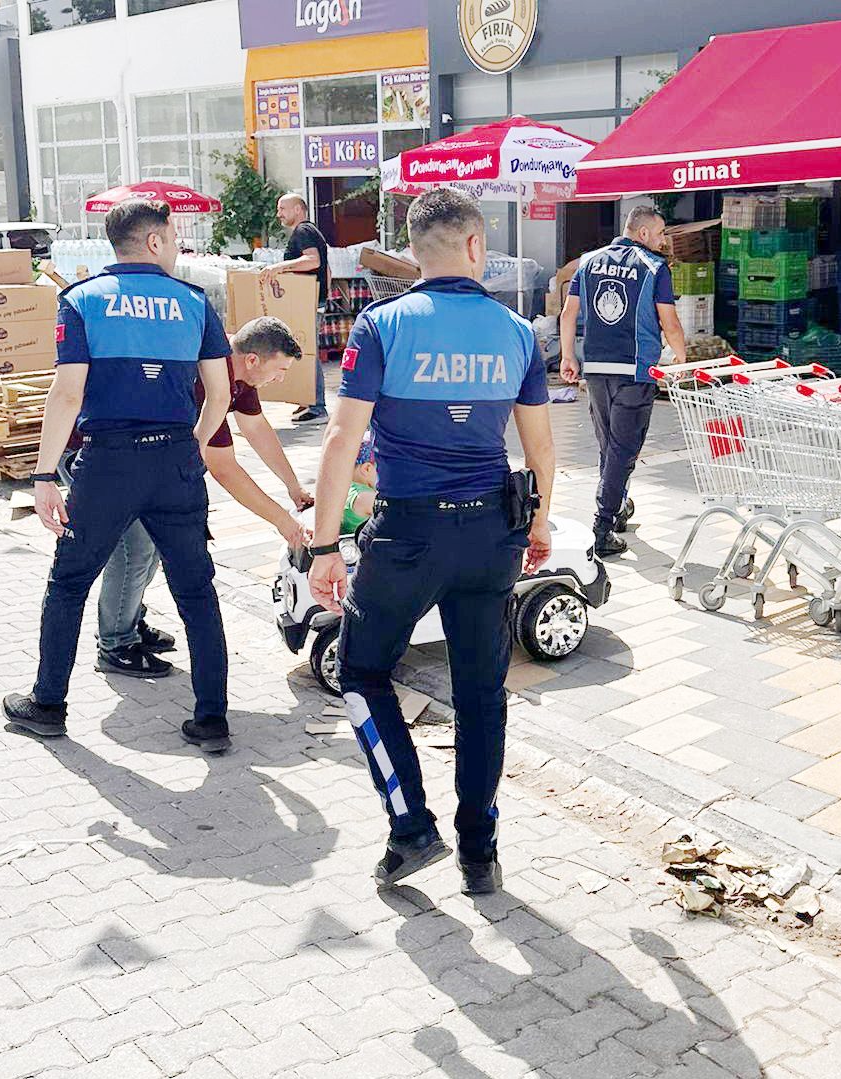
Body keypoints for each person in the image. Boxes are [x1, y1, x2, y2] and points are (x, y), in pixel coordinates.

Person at [307, 188, 555, 896]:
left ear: (415, 251)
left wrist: (326, 547)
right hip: (493, 533)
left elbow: (340, 439)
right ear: (477, 247)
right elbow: (541, 448)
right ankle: (481, 853)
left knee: (361, 670)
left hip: (410, 533)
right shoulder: (515, 332)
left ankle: (411, 827)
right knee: (483, 694)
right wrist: (538, 522)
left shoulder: (381, 326)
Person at [3, 199, 235, 752]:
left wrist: (42, 477)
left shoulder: (81, 301)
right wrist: (188, 448)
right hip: (174, 458)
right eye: (174, 238)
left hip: (108, 462)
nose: (178, 248)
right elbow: (221, 394)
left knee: (69, 582)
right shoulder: (195, 303)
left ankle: (48, 705)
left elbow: (66, 393)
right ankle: (211, 720)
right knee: (197, 591)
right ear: (154, 242)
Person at [57, 315, 314, 680]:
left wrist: (292, 485)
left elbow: (256, 427)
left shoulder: (237, 370)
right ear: (254, 359)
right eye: (280, 369)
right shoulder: (208, 377)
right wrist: (282, 522)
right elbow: (224, 468)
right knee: (136, 549)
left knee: (155, 547)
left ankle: (127, 617)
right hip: (96, 455)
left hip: (147, 460)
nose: (281, 378)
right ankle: (115, 643)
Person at [558, 205, 687, 558]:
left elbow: (569, 313)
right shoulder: (654, 267)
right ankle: (601, 526)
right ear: (643, 233)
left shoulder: (588, 261)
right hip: (635, 370)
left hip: (596, 367)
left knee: (610, 444)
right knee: (623, 449)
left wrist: (569, 356)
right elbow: (669, 322)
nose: (663, 241)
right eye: (660, 234)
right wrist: (682, 359)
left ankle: (617, 505)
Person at [261, 192, 330, 424]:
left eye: (282, 208)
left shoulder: (303, 231)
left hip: (307, 303)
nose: (278, 214)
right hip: (311, 301)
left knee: (307, 353)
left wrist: (280, 267)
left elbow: (314, 261)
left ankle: (318, 407)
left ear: (298, 210)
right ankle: (308, 399)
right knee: (304, 350)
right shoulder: (311, 231)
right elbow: (326, 270)